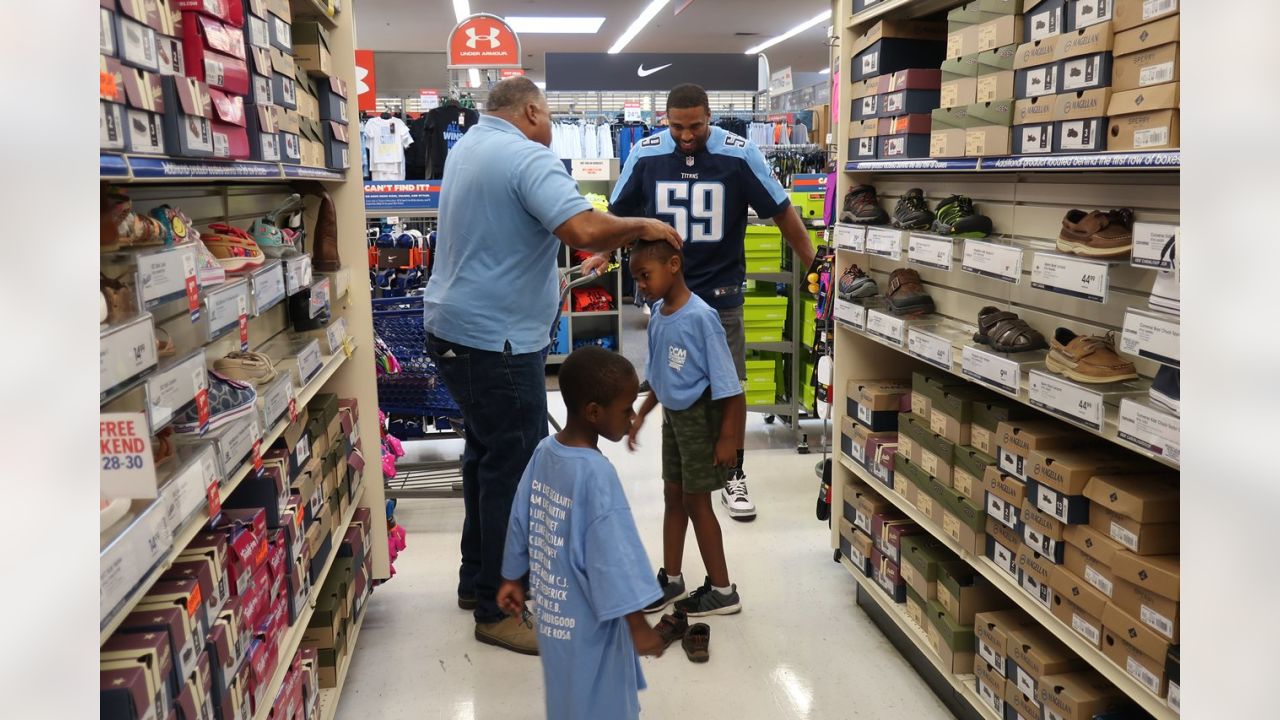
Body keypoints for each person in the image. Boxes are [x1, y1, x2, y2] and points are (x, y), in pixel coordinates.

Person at [421, 76, 682, 655]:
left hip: (455, 329)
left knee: (485, 456)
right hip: (497, 339)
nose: (551, 128)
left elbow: (515, 235)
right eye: (550, 117)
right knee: (511, 467)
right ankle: (497, 608)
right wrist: (642, 226)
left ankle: (475, 580)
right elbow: (581, 226)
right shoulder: (525, 154)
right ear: (533, 110)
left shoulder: (469, 146)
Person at [601, 82, 818, 523]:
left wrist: (815, 266)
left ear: (710, 118)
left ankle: (733, 474)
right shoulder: (644, 153)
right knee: (670, 385)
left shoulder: (739, 154)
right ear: (665, 118)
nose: (686, 135)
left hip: (721, 297)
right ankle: (681, 472)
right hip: (664, 300)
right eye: (677, 126)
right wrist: (601, 254)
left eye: (695, 126)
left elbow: (782, 211)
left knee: (728, 389)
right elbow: (615, 216)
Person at [497, 347, 666, 719]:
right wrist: (638, 625)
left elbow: (520, 516)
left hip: (555, 624)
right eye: (626, 409)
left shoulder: (544, 451)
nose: (632, 417)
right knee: (604, 704)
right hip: (594, 626)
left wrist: (511, 575)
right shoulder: (596, 475)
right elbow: (614, 558)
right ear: (594, 412)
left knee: (568, 701)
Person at [626, 239, 746, 616]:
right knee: (672, 495)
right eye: (637, 278)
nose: (641, 285)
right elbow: (660, 377)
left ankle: (723, 590)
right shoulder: (659, 315)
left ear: (673, 265)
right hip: (673, 419)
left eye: (645, 276)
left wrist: (729, 439)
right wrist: (643, 414)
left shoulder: (701, 317)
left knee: (697, 501)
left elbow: (732, 388)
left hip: (700, 418)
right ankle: (673, 579)